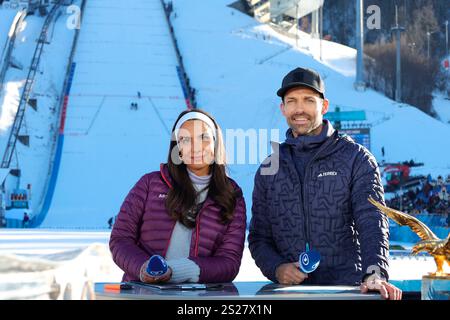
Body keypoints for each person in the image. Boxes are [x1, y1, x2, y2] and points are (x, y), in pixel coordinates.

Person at [248, 67, 402, 300]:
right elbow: (259, 237)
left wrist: (375, 273)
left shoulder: (355, 158)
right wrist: (277, 268)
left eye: (309, 100)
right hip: (290, 294)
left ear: (324, 105)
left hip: (346, 290)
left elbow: (372, 222)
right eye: (292, 101)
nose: (300, 109)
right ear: (283, 108)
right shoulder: (270, 167)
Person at [110, 109, 247, 284]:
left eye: (203, 137)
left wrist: (180, 271)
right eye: (185, 139)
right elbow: (121, 239)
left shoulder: (231, 195)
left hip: (195, 300)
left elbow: (229, 262)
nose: (196, 146)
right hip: (144, 291)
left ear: (216, 142)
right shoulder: (149, 184)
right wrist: (143, 268)